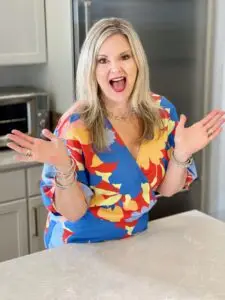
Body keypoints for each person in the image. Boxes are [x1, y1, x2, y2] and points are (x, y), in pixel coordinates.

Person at [7, 18, 225, 248]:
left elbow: (167, 189)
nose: (115, 68)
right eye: (102, 60)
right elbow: (73, 212)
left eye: (124, 56)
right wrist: (64, 167)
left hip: (134, 240)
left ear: (137, 61)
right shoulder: (75, 126)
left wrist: (182, 153)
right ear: (91, 69)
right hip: (80, 248)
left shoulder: (161, 111)